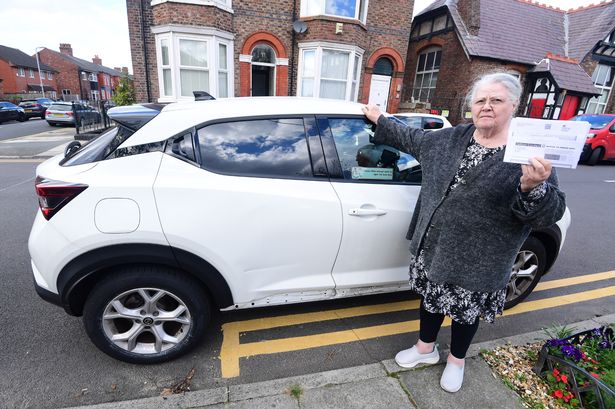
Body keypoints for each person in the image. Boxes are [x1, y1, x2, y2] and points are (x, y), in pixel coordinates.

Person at [361, 72, 566, 393]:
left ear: (513, 105)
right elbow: (412, 139)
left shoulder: (529, 152)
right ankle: (425, 349)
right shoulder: (452, 137)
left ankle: (457, 361)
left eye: (496, 100)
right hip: (435, 246)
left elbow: (549, 214)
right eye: (480, 100)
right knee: (430, 300)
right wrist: (381, 119)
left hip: (482, 259)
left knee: (465, 313)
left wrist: (532, 186)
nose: (487, 106)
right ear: (471, 105)